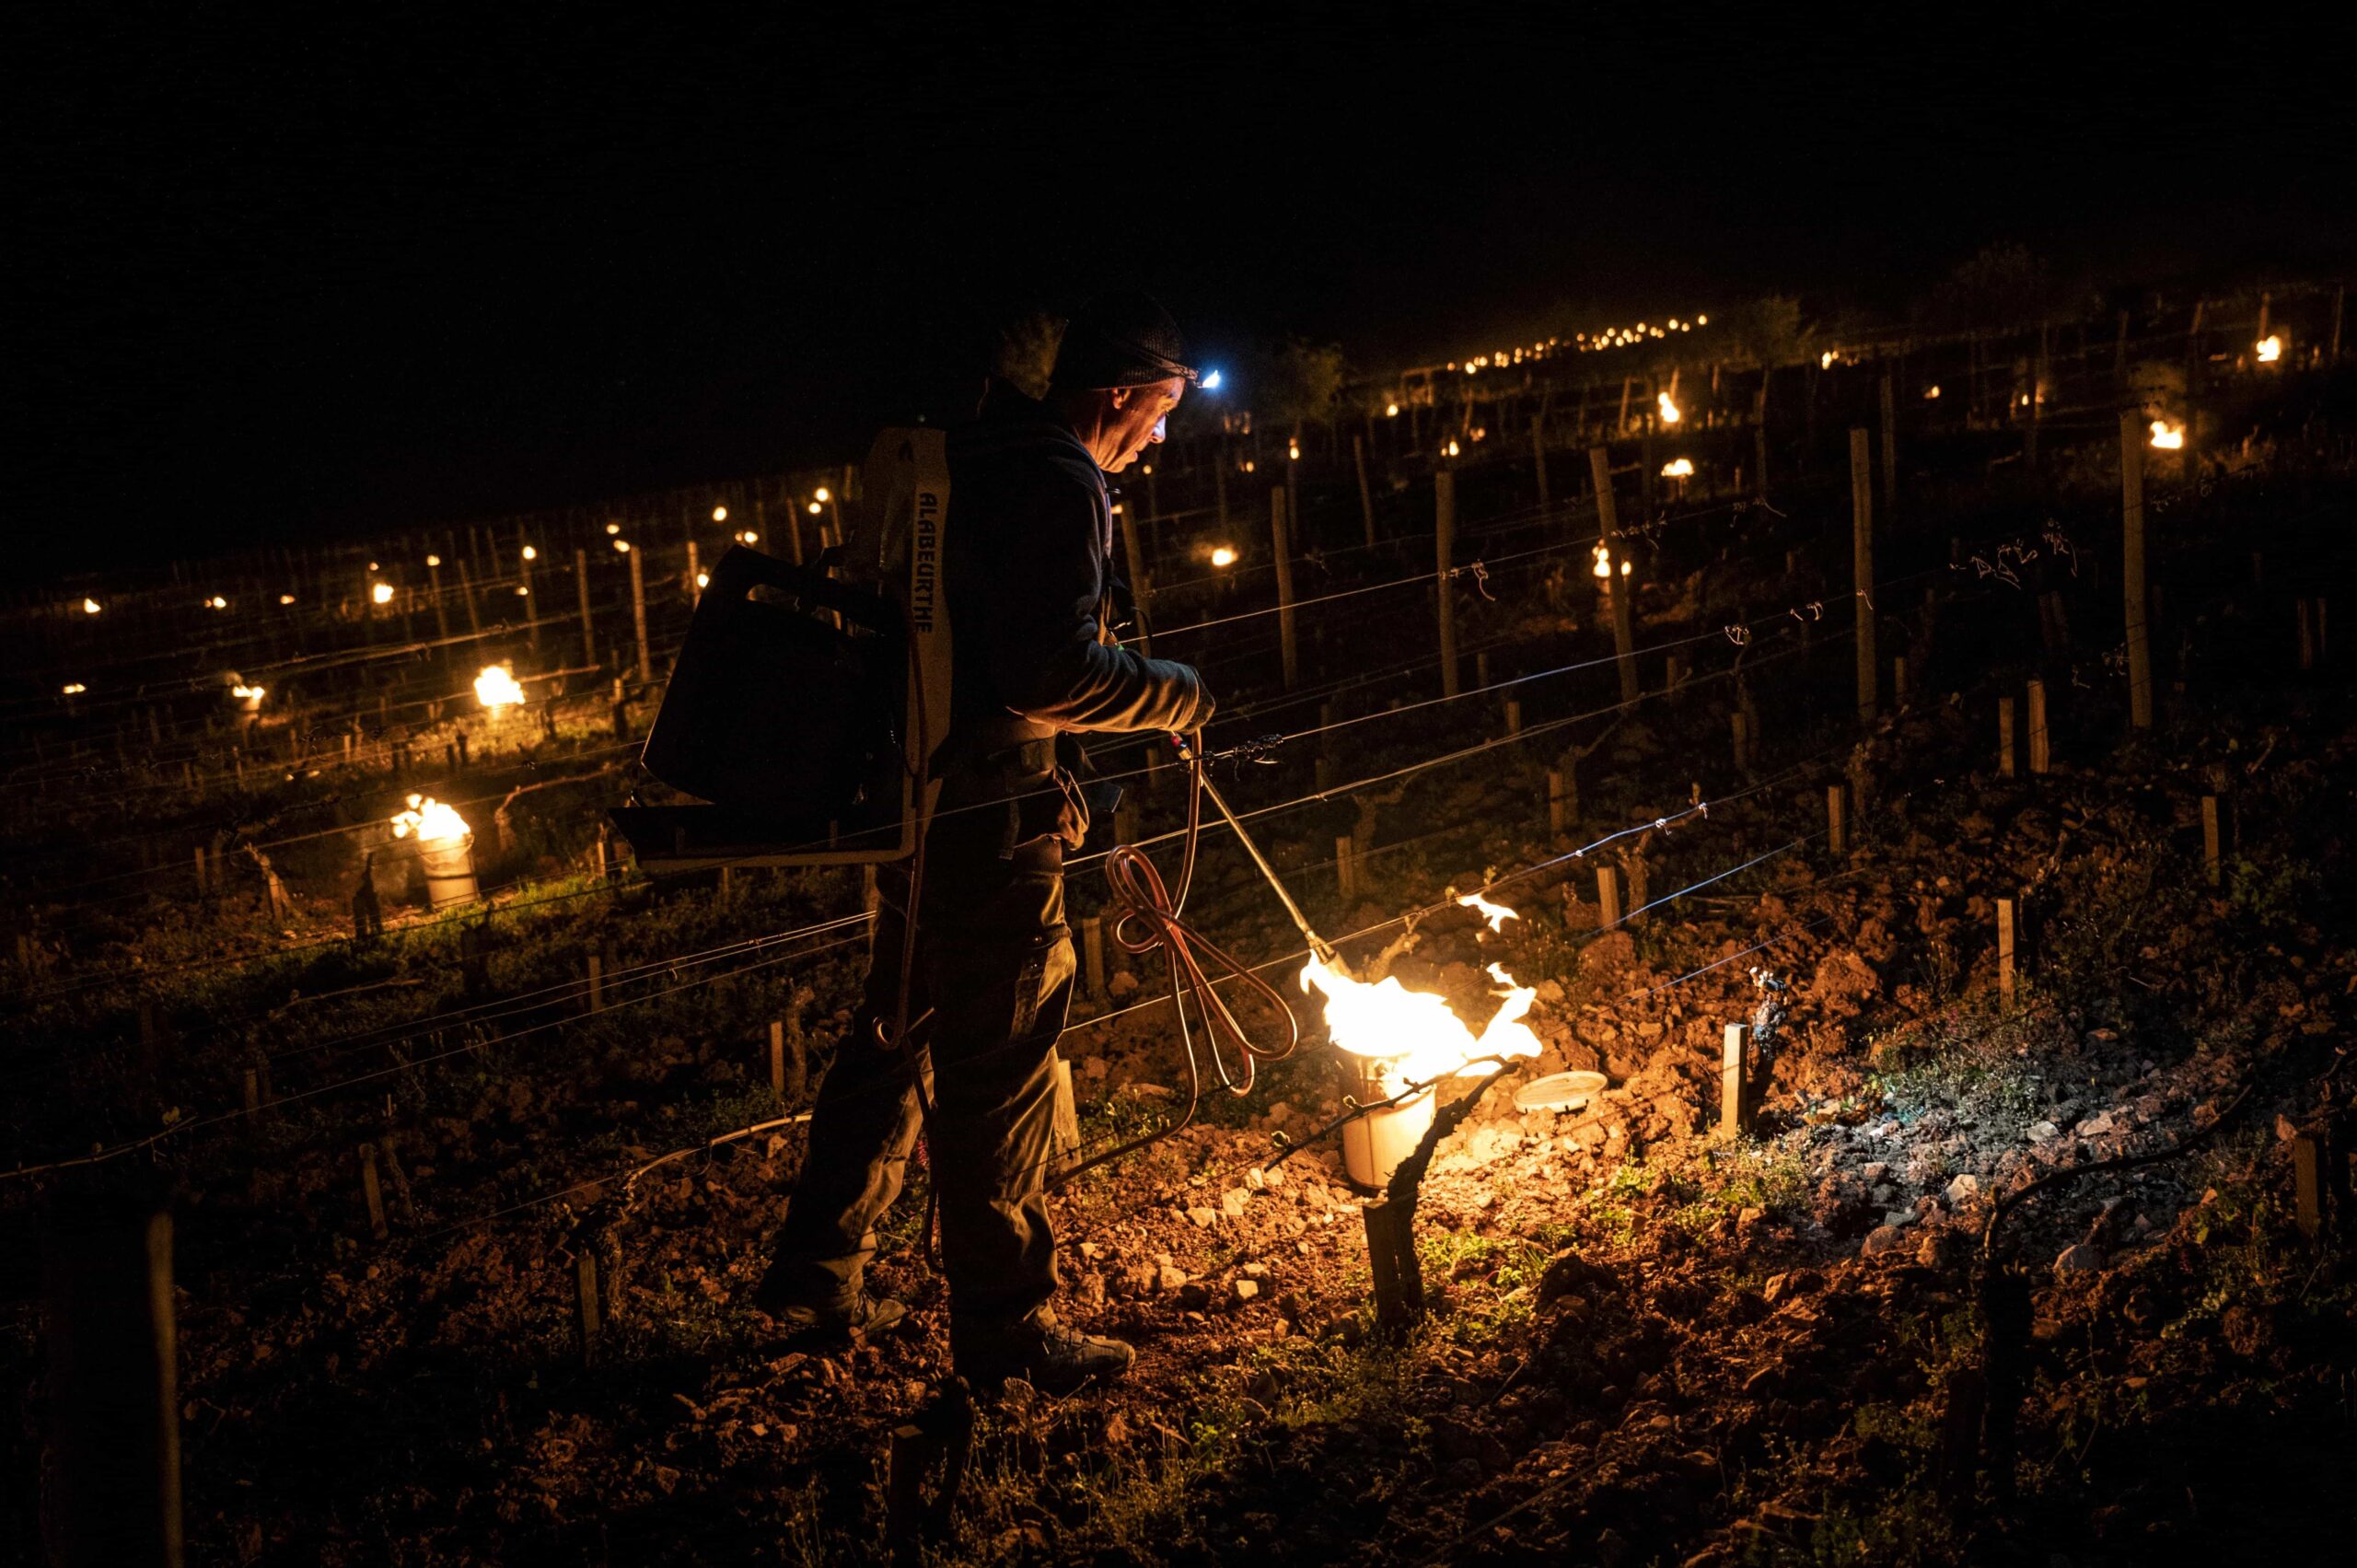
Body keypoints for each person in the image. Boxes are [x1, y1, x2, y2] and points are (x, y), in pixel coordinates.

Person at [753, 292, 1215, 1394]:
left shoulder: (972, 455)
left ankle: (815, 1274)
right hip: (991, 824)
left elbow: (971, 654)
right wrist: (1174, 695)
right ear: (1116, 394)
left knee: (894, 1031)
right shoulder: (1057, 478)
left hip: (920, 796)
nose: (1159, 435)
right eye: (1157, 411)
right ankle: (1004, 1328)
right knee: (1000, 1067)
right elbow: (1048, 672)